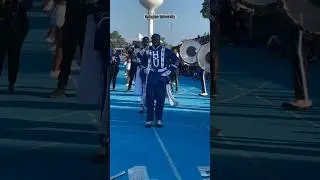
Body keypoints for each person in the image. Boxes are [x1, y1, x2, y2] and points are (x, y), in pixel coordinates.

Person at [49, 0, 86, 98]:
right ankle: (61, 87)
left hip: (87, 19)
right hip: (71, 19)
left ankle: (88, 89)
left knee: (86, 57)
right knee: (66, 56)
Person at [140, 33, 179, 127]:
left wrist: (169, 70)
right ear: (151, 40)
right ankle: (149, 119)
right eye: (153, 39)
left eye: (156, 40)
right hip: (150, 77)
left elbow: (176, 60)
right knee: (149, 100)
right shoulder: (147, 50)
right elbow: (142, 61)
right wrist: (144, 68)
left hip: (162, 78)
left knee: (160, 100)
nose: (155, 41)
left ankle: (158, 119)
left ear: (159, 40)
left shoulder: (165, 50)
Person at [0, 0, 32, 93]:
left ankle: (12, 81)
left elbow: (28, 5)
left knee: (14, 54)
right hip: (2, 22)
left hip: (17, 24)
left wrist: (20, 3)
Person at [135, 36, 150, 113]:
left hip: (149, 72)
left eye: (146, 42)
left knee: (148, 88)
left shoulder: (150, 50)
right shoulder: (141, 50)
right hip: (143, 71)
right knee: (143, 88)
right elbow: (138, 60)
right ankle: (142, 104)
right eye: (144, 42)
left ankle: (147, 104)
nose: (145, 43)